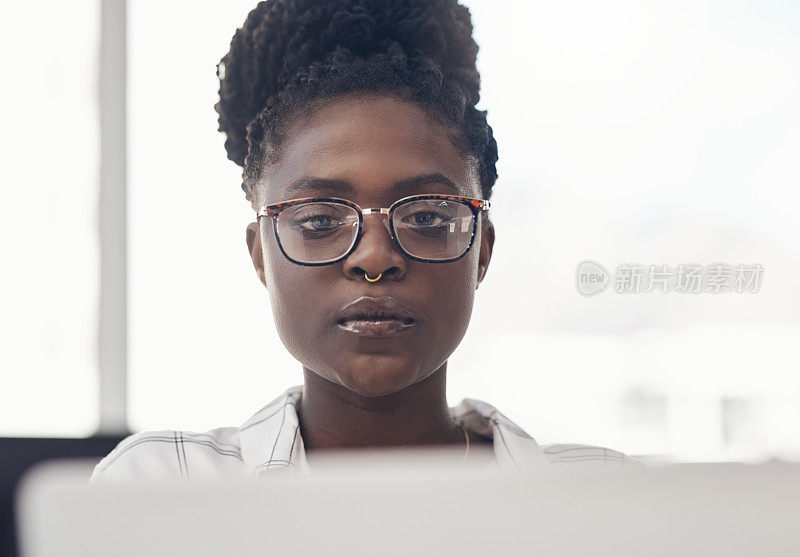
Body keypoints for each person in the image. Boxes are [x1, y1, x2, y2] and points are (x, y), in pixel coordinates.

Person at [91, 0, 638, 482]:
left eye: (426, 218)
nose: (375, 258)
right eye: (320, 221)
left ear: (482, 251)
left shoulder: (610, 496)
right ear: (260, 254)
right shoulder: (162, 485)